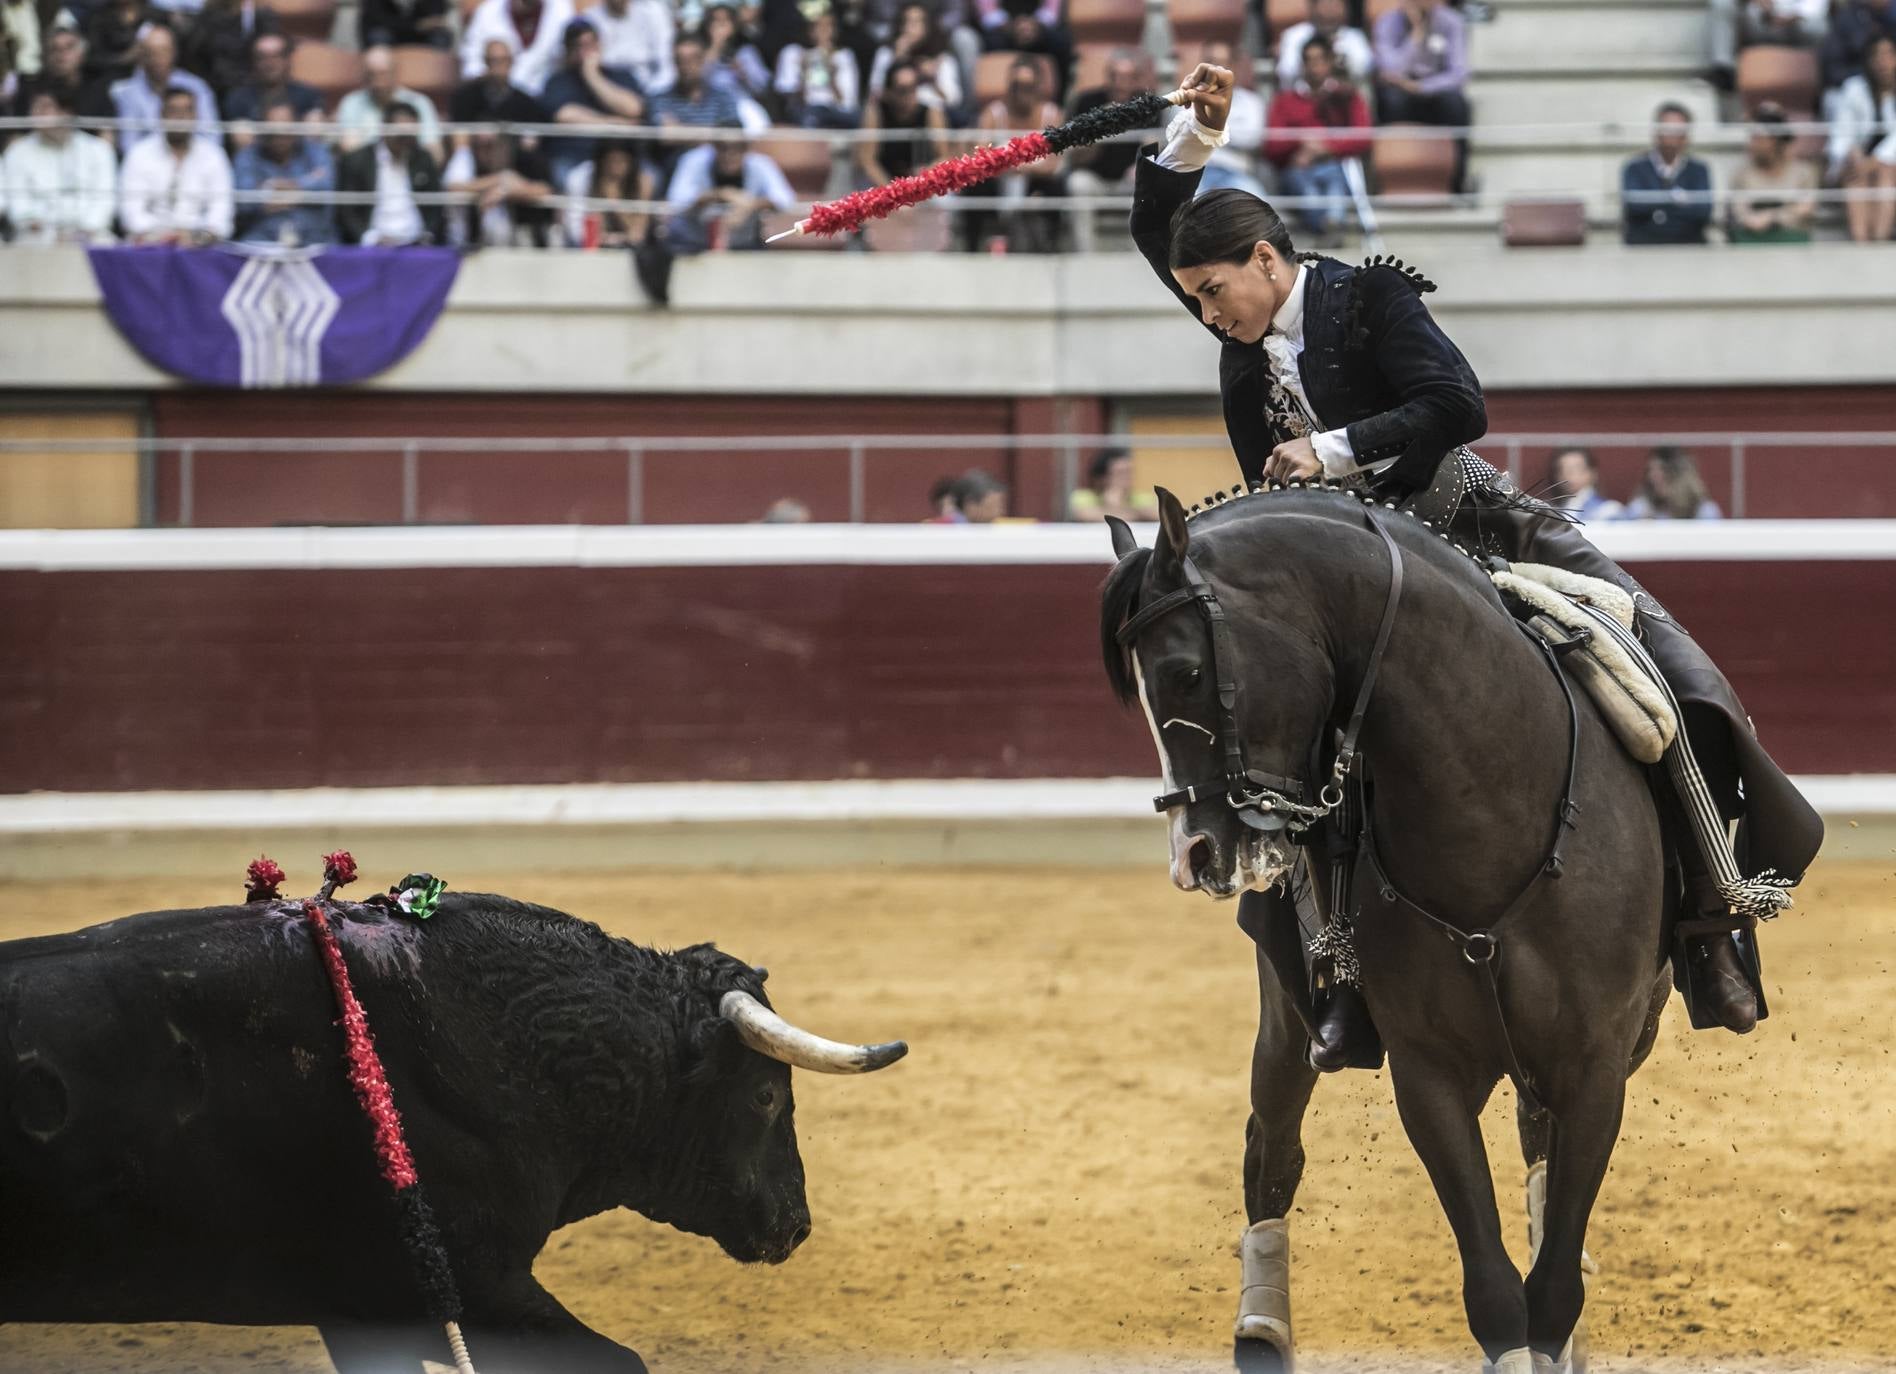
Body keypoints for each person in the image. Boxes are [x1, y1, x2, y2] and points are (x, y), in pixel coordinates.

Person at [1129, 62, 1819, 1061]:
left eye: (1211, 293)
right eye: (1192, 298)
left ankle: (1714, 928)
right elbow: (1164, 228)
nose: (1203, 316)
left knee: (1670, 681)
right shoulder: (1232, 300)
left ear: (1267, 260)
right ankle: (1340, 975)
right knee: (1287, 760)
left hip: (1480, 532)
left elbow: (1460, 405)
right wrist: (1192, 135)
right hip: (1349, 592)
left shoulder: (1367, 300)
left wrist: (1330, 452)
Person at [1264, 35, 1372, 244]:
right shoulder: (1284, 100)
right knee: (1307, 189)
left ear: (1330, 62)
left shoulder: (1347, 96)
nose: (1315, 67)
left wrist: (1325, 148)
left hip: (1334, 163)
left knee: (1334, 181)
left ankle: (1331, 225)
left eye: (1320, 60)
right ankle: (1327, 228)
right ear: (1302, 64)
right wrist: (1300, 143)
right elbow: (1271, 145)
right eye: (1309, 61)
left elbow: (1363, 137)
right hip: (1297, 167)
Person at [1063, 49, 1161, 253]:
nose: (1120, 83)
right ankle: (1085, 255)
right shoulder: (1087, 102)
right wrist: (1101, 127)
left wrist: (1140, 166)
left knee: (1149, 184)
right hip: (1094, 176)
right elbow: (1075, 157)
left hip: (1130, 179)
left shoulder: (1148, 105)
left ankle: (1140, 256)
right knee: (1077, 183)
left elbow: (1153, 151)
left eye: (1127, 78)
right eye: (1114, 76)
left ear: (1136, 80)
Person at [963, 53, 1062, 251]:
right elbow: (979, 155)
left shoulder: (1052, 115)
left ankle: (1052, 248)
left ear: (1038, 87)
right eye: (1016, 86)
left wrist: (1021, 169)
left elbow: (1053, 164)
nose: (1021, 92)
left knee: (1057, 187)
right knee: (974, 186)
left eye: (1028, 86)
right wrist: (1008, 167)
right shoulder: (994, 113)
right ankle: (972, 248)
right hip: (998, 180)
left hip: (1036, 181)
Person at [1371, 0, 1469, 190]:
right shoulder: (1387, 22)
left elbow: (1459, 73)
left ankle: (1457, 182)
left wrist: (1422, 87)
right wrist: (1417, 34)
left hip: (1435, 90)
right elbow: (1391, 69)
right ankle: (1393, 178)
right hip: (1400, 91)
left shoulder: (1451, 22)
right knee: (1391, 100)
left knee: (1456, 104)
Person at [1, 86, 117, 243]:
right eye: (34, 107)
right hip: (37, 236)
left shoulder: (98, 150)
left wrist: (83, 231)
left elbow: (104, 202)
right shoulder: (17, 151)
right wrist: (45, 230)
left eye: (45, 107)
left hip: (89, 234)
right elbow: (18, 207)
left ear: (66, 112)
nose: (35, 114)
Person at [119, 84, 234, 241]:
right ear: (161, 114)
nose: (180, 117)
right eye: (173, 111)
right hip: (150, 242)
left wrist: (198, 236)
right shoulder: (139, 153)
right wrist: (163, 235)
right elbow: (131, 212)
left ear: (196, 115)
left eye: (187, 110)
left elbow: (221, 211)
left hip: (199, 244)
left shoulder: (213, 155)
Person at [539, 19, 645, 189]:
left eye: (589, 44)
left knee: (649, 176)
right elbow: (564, 115)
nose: (585, 52)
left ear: (599, 44)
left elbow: (633, 109)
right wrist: (615, 124)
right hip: (574, 156)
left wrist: (593, 77)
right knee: (562, 175)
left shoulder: (621, 76)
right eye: (578, 46)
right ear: (567, 50)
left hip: (621, 158)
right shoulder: (557, 82)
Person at [663, 124, 793, 251]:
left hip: (744, 244)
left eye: (737, 148)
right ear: (713, 146)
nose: (729, 154)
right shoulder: (694, 160)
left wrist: (751, 205)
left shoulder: (760, 164)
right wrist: (718, 195)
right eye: (723, 147)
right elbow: (677, 200)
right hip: (693, 244)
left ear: (746, 147)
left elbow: (785, 200)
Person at [335, 100, 446, 244]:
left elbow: (435, 206)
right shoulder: (358, 160)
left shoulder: (423, 159)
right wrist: (371, 239)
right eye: (400, 135)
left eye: (410, 136)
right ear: (384, 129)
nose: (405, 141)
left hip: (417, 243)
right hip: (372, 245)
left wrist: (427, 236)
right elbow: (346, 212)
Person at [231, 93, 333, 243]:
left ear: (296, 124)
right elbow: (244, 202)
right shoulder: (247, 156)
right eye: (273, 128)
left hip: (315, 239)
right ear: (262, 128)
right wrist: (303, 190)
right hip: (261, 239)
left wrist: (270, 189)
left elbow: (326, 190)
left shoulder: (317, 152)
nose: (280, 133)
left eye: (286, 126)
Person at [1827, 32, 1896, 243]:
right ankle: (1862, 244)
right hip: (1857, 166)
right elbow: (1840, 135)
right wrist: (1850, 153)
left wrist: (1875, 161)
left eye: (1888, 54)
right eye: (1876, 55)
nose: (1882, 61)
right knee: (1856, 176)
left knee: (1885, 173)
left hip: (1889, 166)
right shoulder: (1854, 89)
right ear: (1869, 60)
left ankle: (1879, 239)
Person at [1621, 102, 1713, 245]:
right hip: (1644, 246)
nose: (1671, 134)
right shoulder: (1634, 167)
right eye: (1667, 128)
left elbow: (1703, 212)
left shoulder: (1698, 169)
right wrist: (1677, 199)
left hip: (1689, 245)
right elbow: (1634, 208)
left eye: (1677, 129)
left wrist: (1657, 209)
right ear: (1656, 131)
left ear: (1687, 134)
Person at [444, 127, 554, 246]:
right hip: (471, 243)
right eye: (482, 146)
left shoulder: (518, 159)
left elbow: (545, 189)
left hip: (516, 237)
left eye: (491, 145)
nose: (487, 152)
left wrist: (504, 191)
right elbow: (453, 187)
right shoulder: (469, 160)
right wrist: (498, 180)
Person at [111, 25, 218, 145]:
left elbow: (212, 137)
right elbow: (128, 142)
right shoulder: (129, 94)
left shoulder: (196, 87)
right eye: (151, 53)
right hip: (148, 161)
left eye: (164, 51)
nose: (158, 59)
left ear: (174, 53)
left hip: (193, 159)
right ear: (142, 56)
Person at [1728, 101, 1817, 243]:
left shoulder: (1803, 172)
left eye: (1759, 139)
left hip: (1792, 239)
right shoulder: (1742, 173)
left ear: (1775, 141)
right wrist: (1751, 220)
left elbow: (1806, 208)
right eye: (1752, 138)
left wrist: (1772, 217)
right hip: (1752, 238)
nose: (1752, 144)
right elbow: (1740, 210)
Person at [338, 44, 445, 160]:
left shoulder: (419, 103)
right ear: (363, 75)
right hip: (366, 175)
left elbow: (435, 154)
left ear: (395, 72)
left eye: (383, 74)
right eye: (371, 75)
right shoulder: (351, 103)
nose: (378, 82)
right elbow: (349, 150)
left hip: (409, 172)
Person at [854, 57, 945, 186]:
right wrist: (893, 193)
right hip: (883, 185)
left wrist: (921, 181)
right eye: (903, 90)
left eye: (914, 87)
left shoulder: (932, 113)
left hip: (923, 185)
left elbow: (944, 157)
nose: (910, 95)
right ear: (889, 92)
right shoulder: (876, 113)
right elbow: (867, 160)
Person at [460, 0, 576, 98]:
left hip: (546, 101)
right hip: (498, 98)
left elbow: (569, 57)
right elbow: (472, 66)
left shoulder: (561, 9)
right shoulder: (488, 12)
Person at [1196, 39, 1267, 197]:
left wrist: (1211, 125)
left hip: (1236, 173)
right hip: (1195, 174)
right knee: (1180, 211)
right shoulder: (1187, 99)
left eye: (1222, 63)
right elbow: (1185, 134)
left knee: (1258, 208)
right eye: (1210, 63)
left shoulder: (1252, 101)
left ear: (1233, 67)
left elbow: (1251, 138)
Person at [1709, 0, 1827, 91]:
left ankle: (1822, 80)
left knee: (1820, 27)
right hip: (1759, 24)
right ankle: (1724, 71)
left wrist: (1792, 16)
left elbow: (1815, 10)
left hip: (1795, 28)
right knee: (1722, 3)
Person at [448, 36, 548, 142]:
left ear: (512, 62)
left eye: (503, 60)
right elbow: (459, 131)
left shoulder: (526, 103)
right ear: (485, 62)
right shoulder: (466, 98)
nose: (499, 67)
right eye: (494, 61)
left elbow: (531, 139)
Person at [774, 7, 860, 128]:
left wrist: (832, 76)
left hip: (836, 111)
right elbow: (790, 99)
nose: (823, 31)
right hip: (809, 111)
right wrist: (803, 73)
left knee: (857, 118)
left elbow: (847, 103)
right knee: (810, 118)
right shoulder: (795, 53)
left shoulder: (844, 56)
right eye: (818, 26)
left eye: (828, 26)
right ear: (810, 30)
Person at [867, 1, 960, 112]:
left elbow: (953, 100)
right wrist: (897, 62)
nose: (909, 28)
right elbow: (874, 95)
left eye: (916, 22)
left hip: (931, 115)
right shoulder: (886, 54)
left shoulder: (941, 58)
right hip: (894, 115)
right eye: (905, 22)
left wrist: (933, 80)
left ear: (927, 26)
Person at [220, 31, 325, 129]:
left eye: (276, 56)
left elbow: (313, 139)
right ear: (253, 61)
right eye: (262, 57)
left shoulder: (308, 95)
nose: (270, 63)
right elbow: (243, 142)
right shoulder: (239, 98)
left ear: (288, 59)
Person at [181, 0, 282, 99]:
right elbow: (194, 54)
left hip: (251, 88)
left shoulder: (260, 15)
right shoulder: (207, 17)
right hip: (214, 87)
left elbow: (270, 50)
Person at [21, 25, 115, 124]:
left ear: (82, 54)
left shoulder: (99, 89)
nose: (61, 54)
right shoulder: (32, 89)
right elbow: (17, 133)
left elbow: (106, 133)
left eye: (69, 47)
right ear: (46, 56)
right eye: (54, 48)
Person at [1274, 0, 1373, 90]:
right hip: (1304, 98)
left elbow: (1364, 68)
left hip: (1343, 100)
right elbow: (1287, 71)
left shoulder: (1355, 37)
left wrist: (1334, 58)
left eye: (1336, 5)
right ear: (1313, 7)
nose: (1330, 10)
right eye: (1325, 4)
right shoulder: (1294, 35)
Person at [584, 0, 673, 91]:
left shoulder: (652, 12)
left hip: (647, 83)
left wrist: (652, 91)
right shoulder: (590, 18)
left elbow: (665, 60)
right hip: (607, 84)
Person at [1624, 447, 1723, 520]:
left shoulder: (1705, 512)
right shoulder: (1641, 508)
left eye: (1663, 470)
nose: (1653, 477)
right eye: (1650, 470)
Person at [1066, 448, 1158, 522]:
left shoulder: (1141, 497)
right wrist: (1136, 514)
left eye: (1129, 472)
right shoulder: (1083, 496)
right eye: (1120, 473)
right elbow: (1085, 515)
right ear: (1102, 477)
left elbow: (1157, 515)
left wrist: (1117, 507)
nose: (1127, 478)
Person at [1542, 446, 1622, 524]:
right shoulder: (1550, 511)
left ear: (1592, 473)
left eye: (1577, 469)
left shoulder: (1609, 510)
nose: (1568, 476)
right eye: (1563, 470)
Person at [359, 0, 452, 50]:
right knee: (379, 36)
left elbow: (437, 14)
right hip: (388, 34)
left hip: (420, 38)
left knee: (441, 37)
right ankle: (381, 76)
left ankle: (433, 77)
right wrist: (416, 26)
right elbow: (378, 19)